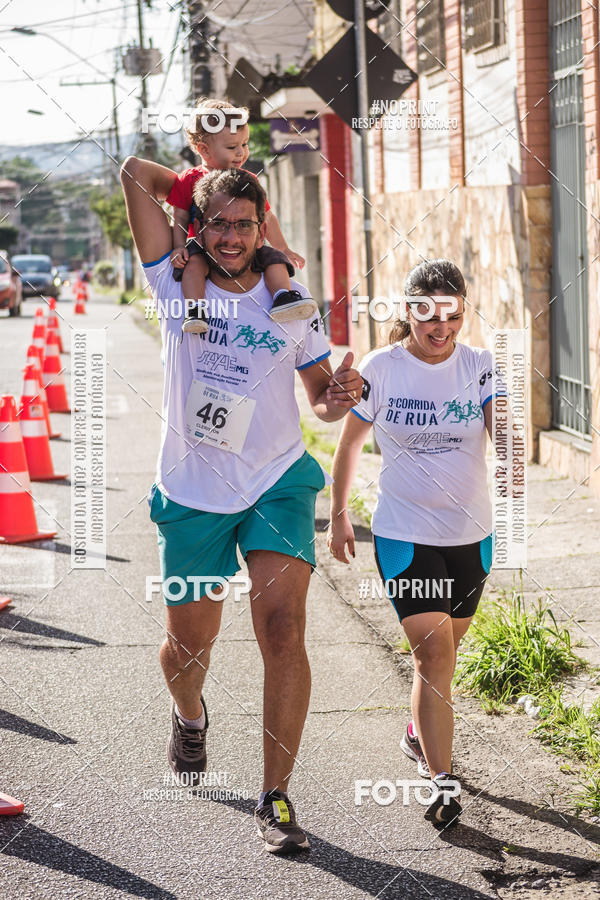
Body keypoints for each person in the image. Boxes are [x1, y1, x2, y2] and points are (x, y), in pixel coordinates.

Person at [120, 156, 364, 853]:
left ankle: (275, 796)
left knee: (283, 629)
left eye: (245, 224)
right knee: (188, 648)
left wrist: (336, 396)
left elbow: (319, 397)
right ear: (200, 225)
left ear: (265, 229)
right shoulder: (172, 280)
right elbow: (135, 170)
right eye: (219, 223)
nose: (231, 237)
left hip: (275, 481)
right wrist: (203, 184)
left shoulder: (289, 302)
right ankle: (190, 716)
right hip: (194, 491)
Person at [327, 259, 505, 827]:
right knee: (433, 655)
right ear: (409, 312)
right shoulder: (383, 367)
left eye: (454, 316)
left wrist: (510, 447)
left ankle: (417, 727)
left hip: (471, 536)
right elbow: (350, 445)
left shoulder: (480, 365)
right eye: (430, 315)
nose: (443, 328)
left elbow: (499, 427)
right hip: (404, 533)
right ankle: (441, 779)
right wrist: (338, 516)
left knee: (445, 658)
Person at [168, 96, 317, 330]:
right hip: (202, 245)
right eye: (232, 147)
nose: (241, 153)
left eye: (244, 144)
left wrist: (284, 248)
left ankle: (283, 297)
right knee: (194, 265)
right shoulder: (189, 179)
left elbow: (267, 217)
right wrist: (178, 246)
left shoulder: (248, 180)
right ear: (204, 150)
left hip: (243, 248)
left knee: (273, 259)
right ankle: (196, 310)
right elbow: (180, 217)